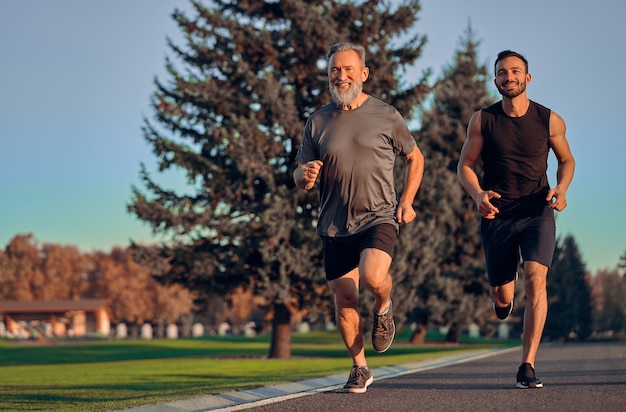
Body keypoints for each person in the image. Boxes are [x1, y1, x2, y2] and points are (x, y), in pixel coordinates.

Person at [293, 42, 424, 394]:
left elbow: (416, 158)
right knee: (345, 299)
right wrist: (305, 175)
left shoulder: (386, 115)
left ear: (363, 74)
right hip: (334, 224)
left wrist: (407, 200)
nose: (342, 75)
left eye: (349, 69)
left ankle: (384, 305)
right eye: (335, 69)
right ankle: (360, 367)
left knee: (372, 275)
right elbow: (298, 172)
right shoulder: (317, 121)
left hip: (378, 216)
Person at [457, 50, 575, 388]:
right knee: (503, 295)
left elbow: (566, 160)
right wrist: (478, 194)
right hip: (497, 214)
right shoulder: (483, 120)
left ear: (527, 78)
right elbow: (465, 165)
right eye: (502, 73)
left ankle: (527, 365)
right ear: (495, 81)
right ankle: (501, 300)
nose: (509, 77)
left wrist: (562, 189)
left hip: (537, 210)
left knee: (536, 278)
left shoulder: (549, 120)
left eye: (515, 71)